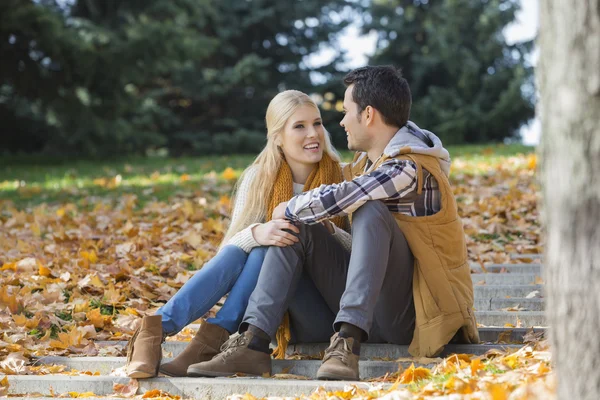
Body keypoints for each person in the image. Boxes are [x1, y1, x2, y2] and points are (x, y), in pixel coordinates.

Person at [187, 65, 479, 381]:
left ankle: (347, 343)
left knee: (369, 210)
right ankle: (252, 344)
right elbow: (333, 193)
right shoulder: (368, 165)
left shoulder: (410, 167)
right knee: (296, 228)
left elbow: (347, 195)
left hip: (414, 318)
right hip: (367, 308)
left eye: (345, 111)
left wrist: (289, 205)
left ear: (368, 115)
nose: (340, 122)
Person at [125, 90, 351, 378]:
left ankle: (190, 337)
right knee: (258, 244)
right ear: (277, 136)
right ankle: (158, 330)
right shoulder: (259, 178)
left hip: (323, 311)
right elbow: (229, 256)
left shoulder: (343, 178)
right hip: (269, 315)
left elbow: (359, 255)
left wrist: (324, 232)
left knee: (276, 242)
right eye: (299, 126)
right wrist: (258, 232)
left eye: (317, 123)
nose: (313, 134)